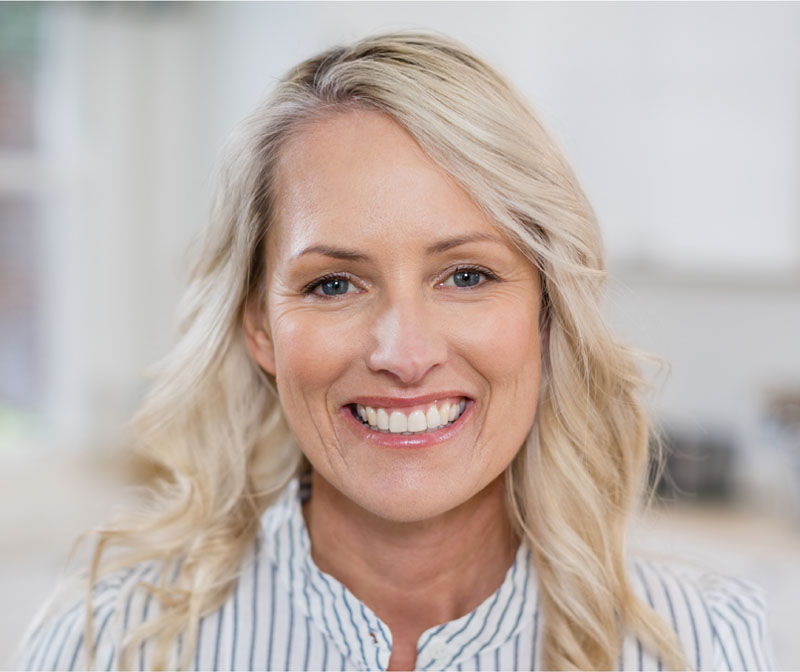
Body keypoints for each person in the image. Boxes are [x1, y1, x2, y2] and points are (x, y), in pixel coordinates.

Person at [17, 32, 771, 672]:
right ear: (259, 325)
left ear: (547, 310)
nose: (404, 354)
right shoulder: (110, 644)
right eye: (335, 284)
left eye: (467, 275)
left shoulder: (700, 647)